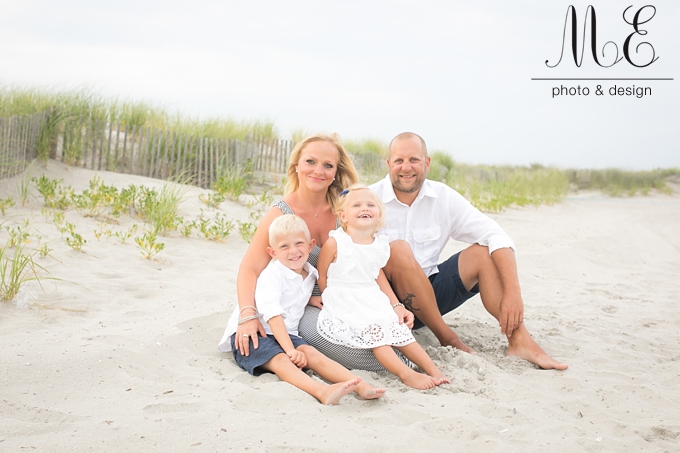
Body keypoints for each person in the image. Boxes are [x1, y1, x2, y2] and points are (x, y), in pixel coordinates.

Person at [370, 132, 568, 370]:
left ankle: (519, 340)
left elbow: (496, 235)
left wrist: (513, 293)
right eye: (399, 160)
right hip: (384, 302)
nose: (406, 167)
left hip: (429, 298)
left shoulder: (442, 197)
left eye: (414, 159)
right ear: (388, 164)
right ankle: (447, 337)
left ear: (427, 163)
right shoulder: (369, 198)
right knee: (399, 250)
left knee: (483, 253)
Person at [231, 132, 407, 372]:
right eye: (310, 162)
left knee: (396, 338)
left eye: (327, 165)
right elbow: (249, 268)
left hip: (350, 298)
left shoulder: (344, 212)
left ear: (335, 172)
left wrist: (395, 305)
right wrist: (248, 315)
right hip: (306, 305)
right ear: (296, 166)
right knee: (369, 360)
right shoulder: (280, 214)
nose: (318, 170)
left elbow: (369, 265)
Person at [217, 214, 385, 404]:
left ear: (310, 245)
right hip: (255, 334)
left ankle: (360, 386)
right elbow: (272, 315)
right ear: (272, 253)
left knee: (311, 353)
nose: (293, 251)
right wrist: (290, 350)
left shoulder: (310, 274)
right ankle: (321, 391)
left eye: (299, 243)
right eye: (284, 247)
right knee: (282, 360)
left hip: (286, 333)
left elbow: (291, 295)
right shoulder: (272, 275)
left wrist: (309, 299)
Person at [316, 185, 450, 389]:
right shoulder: (336, 242)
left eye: (371, 205)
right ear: (343, 216)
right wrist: (328, 297)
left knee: (399, 330)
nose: (365, 208)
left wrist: (396, 305)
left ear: (378, 215)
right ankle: (406, 374)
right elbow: (322, 273)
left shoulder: (378, 244)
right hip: (345, 298)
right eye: (357, 205)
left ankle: (433, 369)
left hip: (371, 296)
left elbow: (378, 276)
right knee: (378, 335)